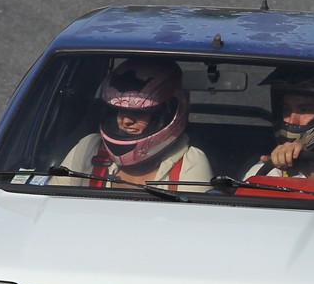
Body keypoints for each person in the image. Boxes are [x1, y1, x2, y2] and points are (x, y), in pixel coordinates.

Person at [53, 58, 212, 192]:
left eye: (139, 112)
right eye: (119, 111)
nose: (126, 120)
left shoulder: (189, 162)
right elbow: (54, 205)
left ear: (166, 113)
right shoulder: (89, 149)